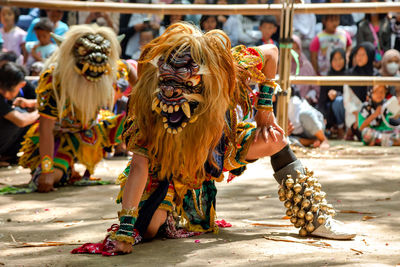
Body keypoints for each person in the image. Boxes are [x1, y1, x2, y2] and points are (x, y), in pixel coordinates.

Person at [72, 23, 355, 256]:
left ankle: (315, 217)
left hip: (218, 148)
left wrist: (265, 112)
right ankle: (167, 212)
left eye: (184, 84)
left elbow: (271, 53)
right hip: (167, 170)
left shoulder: (226, 68)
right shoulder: (148, 107)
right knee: (146, 229)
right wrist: (125, 227)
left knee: (275, 139)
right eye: (168, 84)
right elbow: (138, 167)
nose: (173, 94)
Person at [18, 24, 132, 193]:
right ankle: (61, 168)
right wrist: (48, 170)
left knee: (141, 119)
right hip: (61, 137)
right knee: (52, 177)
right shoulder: (54, 81)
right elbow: (46, 128)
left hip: (95, 128)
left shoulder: (112, 69)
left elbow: (135, 77)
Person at [0, 62, 38, 167]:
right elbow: (21, 121)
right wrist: (41, 111)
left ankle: (7, 155)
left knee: (26, 115)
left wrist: (30, 104)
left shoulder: (26, 87)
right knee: (19, 118)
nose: (6, 94)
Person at [344, 42, 378, 140]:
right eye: (358, 54)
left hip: (373, 115)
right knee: (363, 134)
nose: (359, 57)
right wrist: (358, 117)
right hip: (354, 116)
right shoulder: (350, 74)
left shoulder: (376, 75)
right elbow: (347, 101)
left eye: (363, 55)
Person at [318, 48, 346, 139]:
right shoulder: (327, 77)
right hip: (331, 115)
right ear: (330, 61)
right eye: (335, 59)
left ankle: (342, 129)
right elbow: (321, 101)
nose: (338, 62)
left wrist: (337, 94)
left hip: (346, 111)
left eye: (340, 59)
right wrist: (323, 118)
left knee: (338, 101)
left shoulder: (349, 75)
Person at [291, 34, 320, 106]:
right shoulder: (281, 66)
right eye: (291, 49)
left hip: (305, 105)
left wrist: (310, 96)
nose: (294, 52)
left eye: (297, 48)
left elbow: (315, 88)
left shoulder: (306, 66)